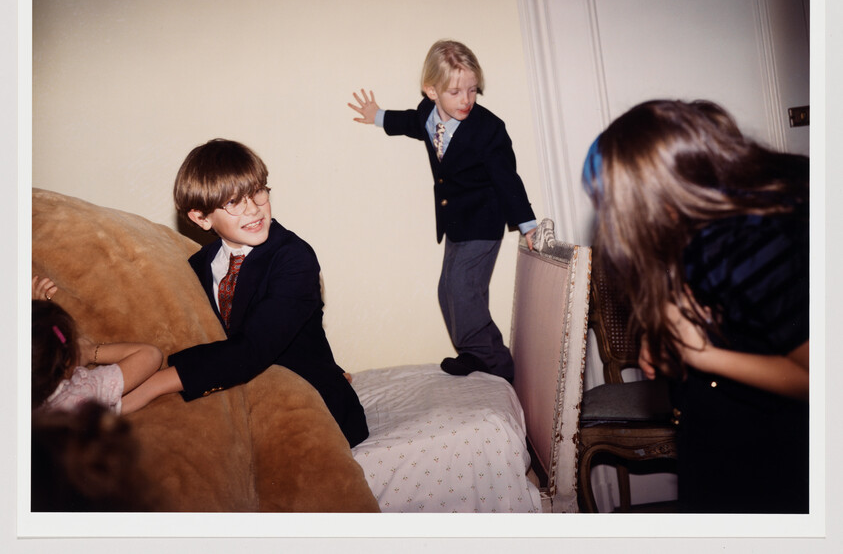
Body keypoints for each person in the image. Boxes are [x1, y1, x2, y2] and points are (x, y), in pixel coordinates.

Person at [581, 98, 809, 513]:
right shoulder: (702, 227)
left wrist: (701, 355)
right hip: (724, 442)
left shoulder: (757, 244)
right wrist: (659, 334)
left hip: (779, 461)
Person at [124, 139, 368, 447]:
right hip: (246, 402)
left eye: (257, 191)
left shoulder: (294, 257)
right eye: (233, 202)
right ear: (201, 218)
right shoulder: (200, 265)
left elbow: (253, 348)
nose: (253, 208)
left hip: (313, 413)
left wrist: (151, 386)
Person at [347, 40, 536, 383]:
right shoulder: (427, 114)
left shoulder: (488, 129)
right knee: (447, 290)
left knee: (464, 289)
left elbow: (508, 179)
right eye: (455, 92)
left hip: (484, 222)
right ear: (431, 90)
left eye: (473, 90)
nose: (466, 100)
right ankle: (474, 354)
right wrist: (378, 117)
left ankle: (496, 364)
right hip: (454, 223)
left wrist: (527, 223)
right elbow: (411, 123)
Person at [32, 278, 164, 416]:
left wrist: (36, 313)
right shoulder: (81, 394)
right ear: (67, 365)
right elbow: (150, 355)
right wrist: (87, 352)